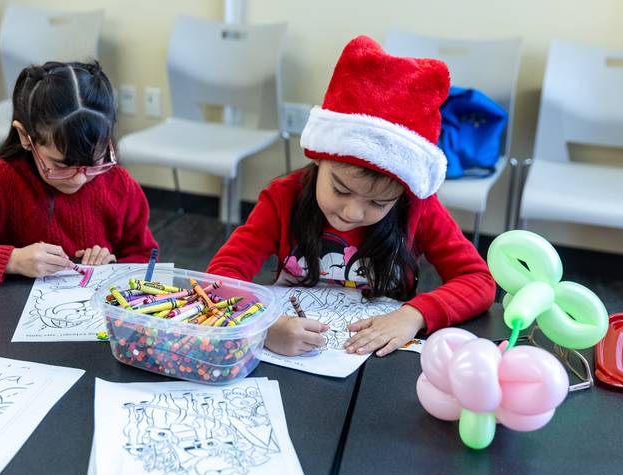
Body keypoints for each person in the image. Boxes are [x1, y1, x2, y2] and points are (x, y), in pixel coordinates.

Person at [207, 36, 495, 357]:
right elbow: (223, 273)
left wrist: (413, 315)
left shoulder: (419, 208)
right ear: (319, 156)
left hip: (376, 356)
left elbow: (477, 280)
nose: (353, 212)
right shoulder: (282, 198)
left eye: (378, 203)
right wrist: (262, 322)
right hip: (294, 348)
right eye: (341, 189)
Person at [0, 61, 157, 283]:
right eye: (61, 165)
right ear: (25, 137)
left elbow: (146, 258)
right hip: (10, 317)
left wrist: (111, 264)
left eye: (94, 162)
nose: (79, 177)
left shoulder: (119, 185)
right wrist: (13, 259)